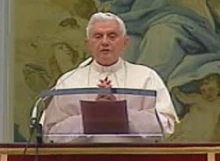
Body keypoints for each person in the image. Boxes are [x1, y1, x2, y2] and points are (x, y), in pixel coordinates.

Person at [42, 12, 179, 143]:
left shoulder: (147, 77)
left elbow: (167, 127)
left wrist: (121, 114)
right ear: (88, 43)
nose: (105, 42)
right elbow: (51, 134)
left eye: (112, 36)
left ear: (125, 42)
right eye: (98, 36)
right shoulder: (68, 81)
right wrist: (92, 116)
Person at [168, 74, 220, 142]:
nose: (207, 93)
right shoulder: (198, 98)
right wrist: (175, 89)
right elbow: (183, 98)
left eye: (211, 89)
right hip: (192, 127)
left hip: (209, 131)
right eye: (203, 91)